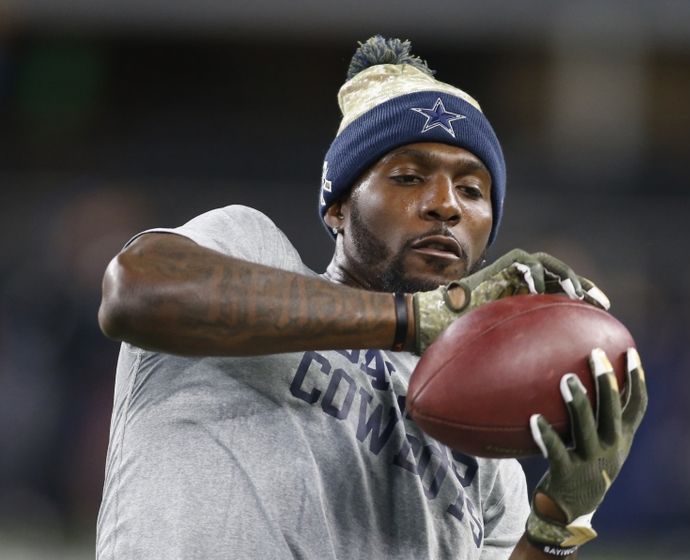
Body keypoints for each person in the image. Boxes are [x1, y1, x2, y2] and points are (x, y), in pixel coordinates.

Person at [95, 36, 647, 559]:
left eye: (473, 191)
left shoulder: (484, 449)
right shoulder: (249, 249)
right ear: (338, 207)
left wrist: (556, 526)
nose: (445, 205)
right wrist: (418, 318)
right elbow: (135, 289)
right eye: (408, 177)